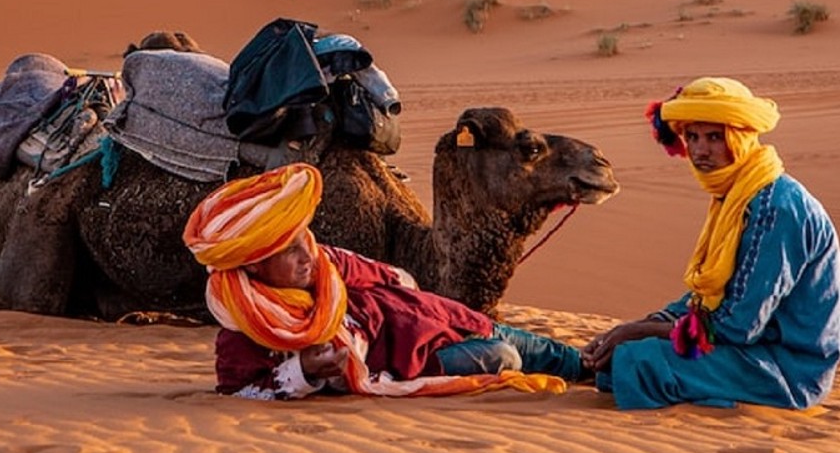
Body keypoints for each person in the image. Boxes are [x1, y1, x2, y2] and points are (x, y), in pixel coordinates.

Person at [182, 161, 585, 399]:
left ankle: (615, 365)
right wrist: (305, 369)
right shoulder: (247, 326)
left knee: (566, 358)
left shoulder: (329, 263)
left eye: (304, 240)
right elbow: (240, 391)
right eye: (288, 250)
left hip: (443, 318)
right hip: (419, 359)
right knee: (505, 358)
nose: (308, 255)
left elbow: (396, 278)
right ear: (253, 264)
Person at [582, 77, 840, 410]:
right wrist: (640, 325)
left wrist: (641, 331)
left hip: (787, 369)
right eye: (692, 137)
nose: (700, 151)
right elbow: (708, 297)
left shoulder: (776, 208)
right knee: (616, 358)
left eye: (715, 137)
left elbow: (740, 325)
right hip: (754, 352)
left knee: (640, 361)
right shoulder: (736, 196)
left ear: (742, 138)